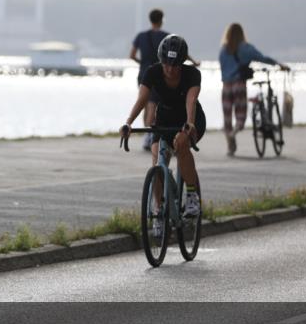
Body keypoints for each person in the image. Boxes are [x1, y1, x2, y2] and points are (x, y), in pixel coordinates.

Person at [120, 35, 206, 234]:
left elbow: (191, 101)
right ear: (161, 60)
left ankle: (192, 196)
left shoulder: (192, 74)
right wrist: (128, 123)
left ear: (182, 63)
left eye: (175, 65)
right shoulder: (152, 72)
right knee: (157, 159)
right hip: (165, 119)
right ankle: (158, 211)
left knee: (181, 142)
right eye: (166, 63)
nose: (170, 69)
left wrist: (189, 124)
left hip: (190, 119)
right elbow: (142, 99)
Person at [129, 8, 199, 150]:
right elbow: (181, 52)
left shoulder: (141, 36)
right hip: (162, 75)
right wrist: (194, 62)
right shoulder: (167, 37)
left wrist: (142, 63)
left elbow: (132, 55)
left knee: (145, 102)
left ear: (150, 19)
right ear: (161, 20)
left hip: (143, 73)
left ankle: (148, 133)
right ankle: (150, 135)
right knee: (153, 104)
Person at [218, 23, 291, 156]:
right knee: (240, 115)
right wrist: (279, 64)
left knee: (227, 117)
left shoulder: (223, 50)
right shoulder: (245, 48)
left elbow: (223, 69)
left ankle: (230, 144)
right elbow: (262, 58)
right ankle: (234, 132)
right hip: (239, 84)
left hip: (226, 86)